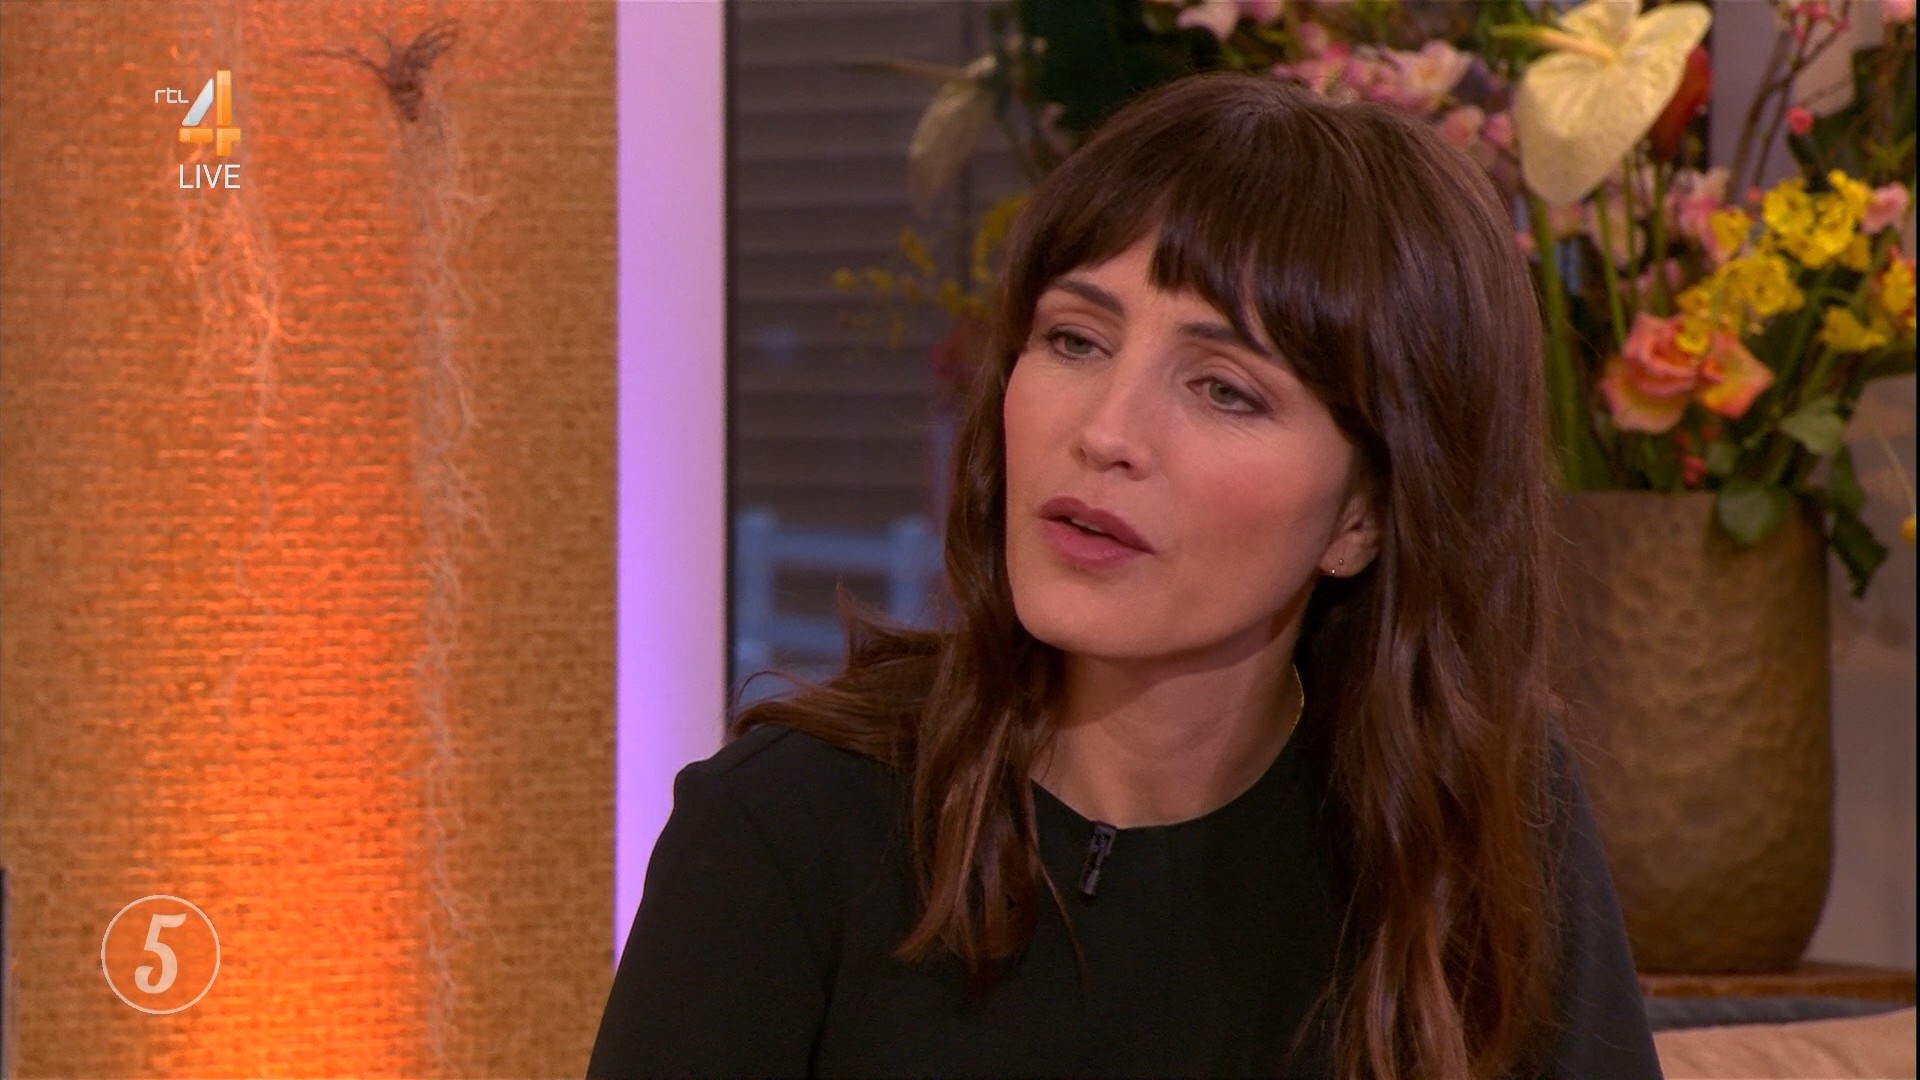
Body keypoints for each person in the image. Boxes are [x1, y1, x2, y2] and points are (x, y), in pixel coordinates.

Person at [588, 73, 1661, 1080]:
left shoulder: (1479, 816)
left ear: (1365, 515)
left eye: (1224, 389)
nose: (1105, 432)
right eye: (1074, 340)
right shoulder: (785, 830)